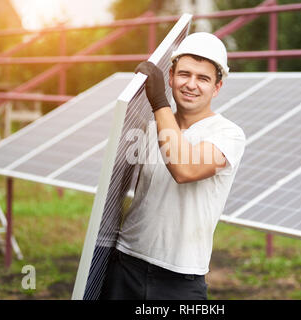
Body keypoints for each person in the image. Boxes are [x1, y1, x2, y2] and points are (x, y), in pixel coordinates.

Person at [100, 32, 246, 300]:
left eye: (203, 78)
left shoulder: (229, 134)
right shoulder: (150, 127)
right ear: (170, 77)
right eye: (184, 74)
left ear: (217, 87)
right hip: (126, 264)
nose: (191, 84)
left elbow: (185, 169)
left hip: (180, 280)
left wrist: (158, 101)